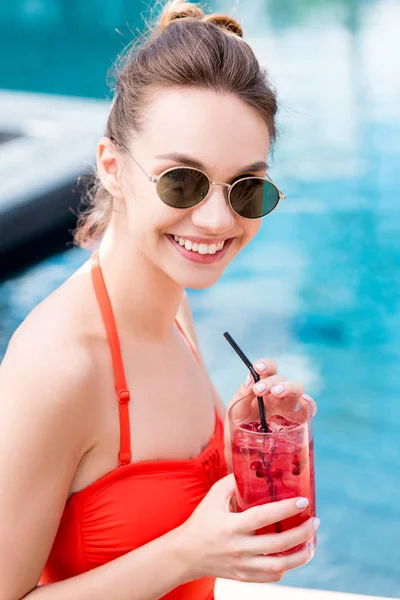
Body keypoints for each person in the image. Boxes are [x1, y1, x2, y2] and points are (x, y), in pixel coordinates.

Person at [0, 1, 319, 599]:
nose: (218, 218)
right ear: (113, 167)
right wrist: (187, 554)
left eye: (246, 187)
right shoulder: (58, 366)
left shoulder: (173, 307)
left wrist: (243, 440)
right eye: (183, 181)